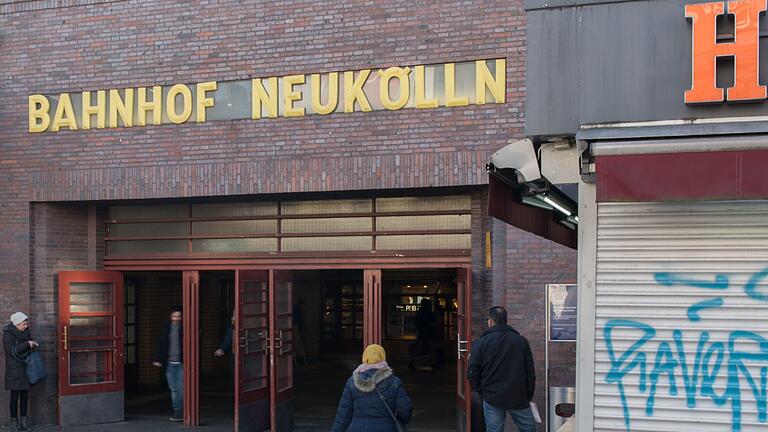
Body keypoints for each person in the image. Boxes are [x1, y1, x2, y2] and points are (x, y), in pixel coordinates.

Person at [468, 306, 536, 432]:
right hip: (518, 396)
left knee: (494, 430)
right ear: (506, 320)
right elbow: (530, 373)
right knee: (528, 428)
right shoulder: (521, 341)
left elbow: (472, 371)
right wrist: (528, 395)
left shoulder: (481, 343)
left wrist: (480, 391)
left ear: (490, 321)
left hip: (492, 396)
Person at [331, 344, 413, 432]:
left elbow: (343, 414)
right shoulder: (394, 381)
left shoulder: (352, 382)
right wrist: (399, 421)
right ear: (383, 357)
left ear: (364, 358)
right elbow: (406, 409)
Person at [3, 313, 37, 432]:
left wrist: (33, 343)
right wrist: (27, 344)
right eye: (23, 324)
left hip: (26, 367)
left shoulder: (26, 331)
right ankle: (14, 423)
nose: (26, 326)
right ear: (16, 324)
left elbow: (32, 342)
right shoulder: (8, 334)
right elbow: (12, 351)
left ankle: (24, 423)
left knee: (25, 397)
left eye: (26, 323)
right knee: (14, 397)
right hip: (14, 370)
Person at [153, 305, 184, 422]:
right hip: (169, 363)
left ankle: (179, 411)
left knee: (180, 388)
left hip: (181, 363)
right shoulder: (166, 329)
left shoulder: (185, 329)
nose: (176, 318)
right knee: (174, 389)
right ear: (171, 317)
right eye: (174, 316)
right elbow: (160, 344)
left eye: (178, 316)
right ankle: (177, 410)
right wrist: (157, 359)